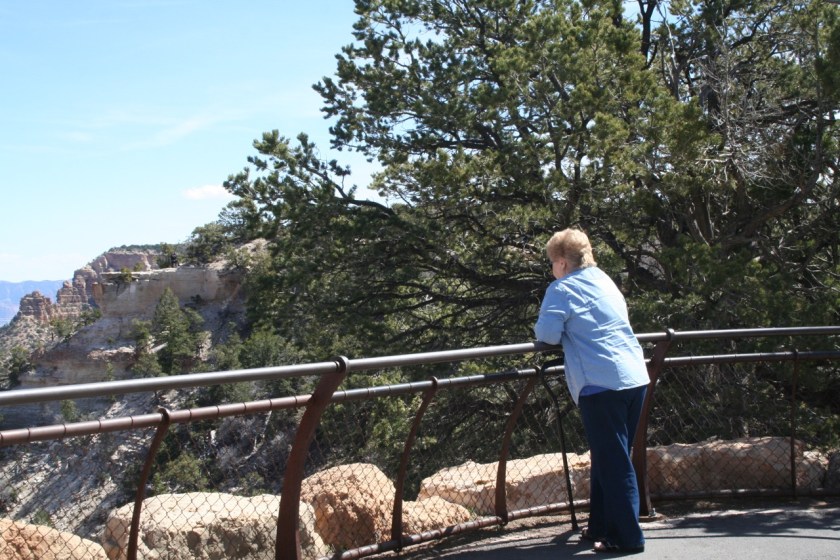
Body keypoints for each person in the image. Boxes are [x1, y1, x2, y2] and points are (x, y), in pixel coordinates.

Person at [533, 228, 649, 554]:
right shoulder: (604, 280)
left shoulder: (561, 288)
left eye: (552, 264)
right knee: (607, 456)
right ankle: (599, 525)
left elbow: (548, 333)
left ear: (562, 263)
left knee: (613, 463)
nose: (552, 270)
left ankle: (628, 537)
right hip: (634, 377)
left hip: (601, 385)